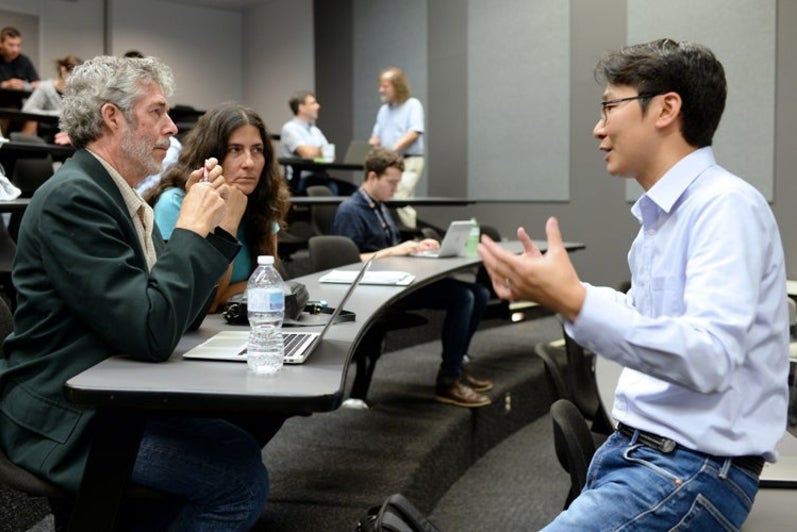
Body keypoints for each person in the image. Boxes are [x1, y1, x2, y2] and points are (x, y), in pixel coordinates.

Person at [478, 39, 789, 530]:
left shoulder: (726, 206)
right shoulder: (662, 218)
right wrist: (563, 291)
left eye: (609, 106)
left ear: (666, 108)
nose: (598, 128)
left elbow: (708, 356)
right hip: (646, 456)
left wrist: (574, 300)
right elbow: (647, 315)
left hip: (690, 471)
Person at [0, 56, 279, 529]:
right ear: (113, 117)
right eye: (157, 112)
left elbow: (178, 317)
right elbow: (151, 330)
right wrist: (189, 228)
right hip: (65, 415)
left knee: (239, 442)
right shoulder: (74, 198)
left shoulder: (119, 195)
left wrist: (221, 224)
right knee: (238, 484)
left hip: (108, 393)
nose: (172, 128)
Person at [332, 147, 492, 408]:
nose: (395, 189)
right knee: (462, 297)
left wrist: (417, 246)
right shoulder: (350, 210)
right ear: (372, 176)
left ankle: (456, 366)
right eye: (391, 182)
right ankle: (448, 380)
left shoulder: (380, 207)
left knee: (480, 292)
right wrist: (396, 250)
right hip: (375, 293)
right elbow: (347, 261)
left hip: (399, 282)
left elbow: (391, 248)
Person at [149, 100, 291, 313]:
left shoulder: (262, 202)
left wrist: (228, 292)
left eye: (257, 150)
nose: (249, 163)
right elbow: (209, 303)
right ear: (210, 155)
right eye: (235, 149)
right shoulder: (175, 203)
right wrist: (228, 224)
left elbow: (268, 283)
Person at [368, 67, 424, 229]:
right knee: (385, 196)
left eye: (385, 86)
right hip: (388, 165)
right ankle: (393, 239)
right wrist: (367, 150)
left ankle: (410, 237)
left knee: (399, 196)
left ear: (398, 86)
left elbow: (414, 132)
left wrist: (392, 149)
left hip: (409, 161)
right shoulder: (383, 111)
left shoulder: (413, 105)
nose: (381, 90)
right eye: (381, 86)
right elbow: (376, 137)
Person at [279, 89, 357, 195]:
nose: (318, 106)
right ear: (301, 108)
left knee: (354, 191)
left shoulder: (315, 130)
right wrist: (321, 151)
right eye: (313, 103)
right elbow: (307, 154)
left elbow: (331, 156)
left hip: (321, 177)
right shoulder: (289, 128)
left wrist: (316, 152)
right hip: (301, 180)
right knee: (332, 190)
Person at [19, 55, 82, 138]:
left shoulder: (79, 91)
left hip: (71, 136)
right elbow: (27, 110)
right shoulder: (46, 87)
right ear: (63, 70)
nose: (74, 78)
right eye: (72, 73)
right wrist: (55, 114)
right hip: (48, 133)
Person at [0, 26, 39, 91]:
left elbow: (36, 83)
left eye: (18, 45)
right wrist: (4, 85)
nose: (15, 50)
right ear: (1, 43)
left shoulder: (24, 60)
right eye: (11, 45)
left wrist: (25, 86)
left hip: (17, 100)